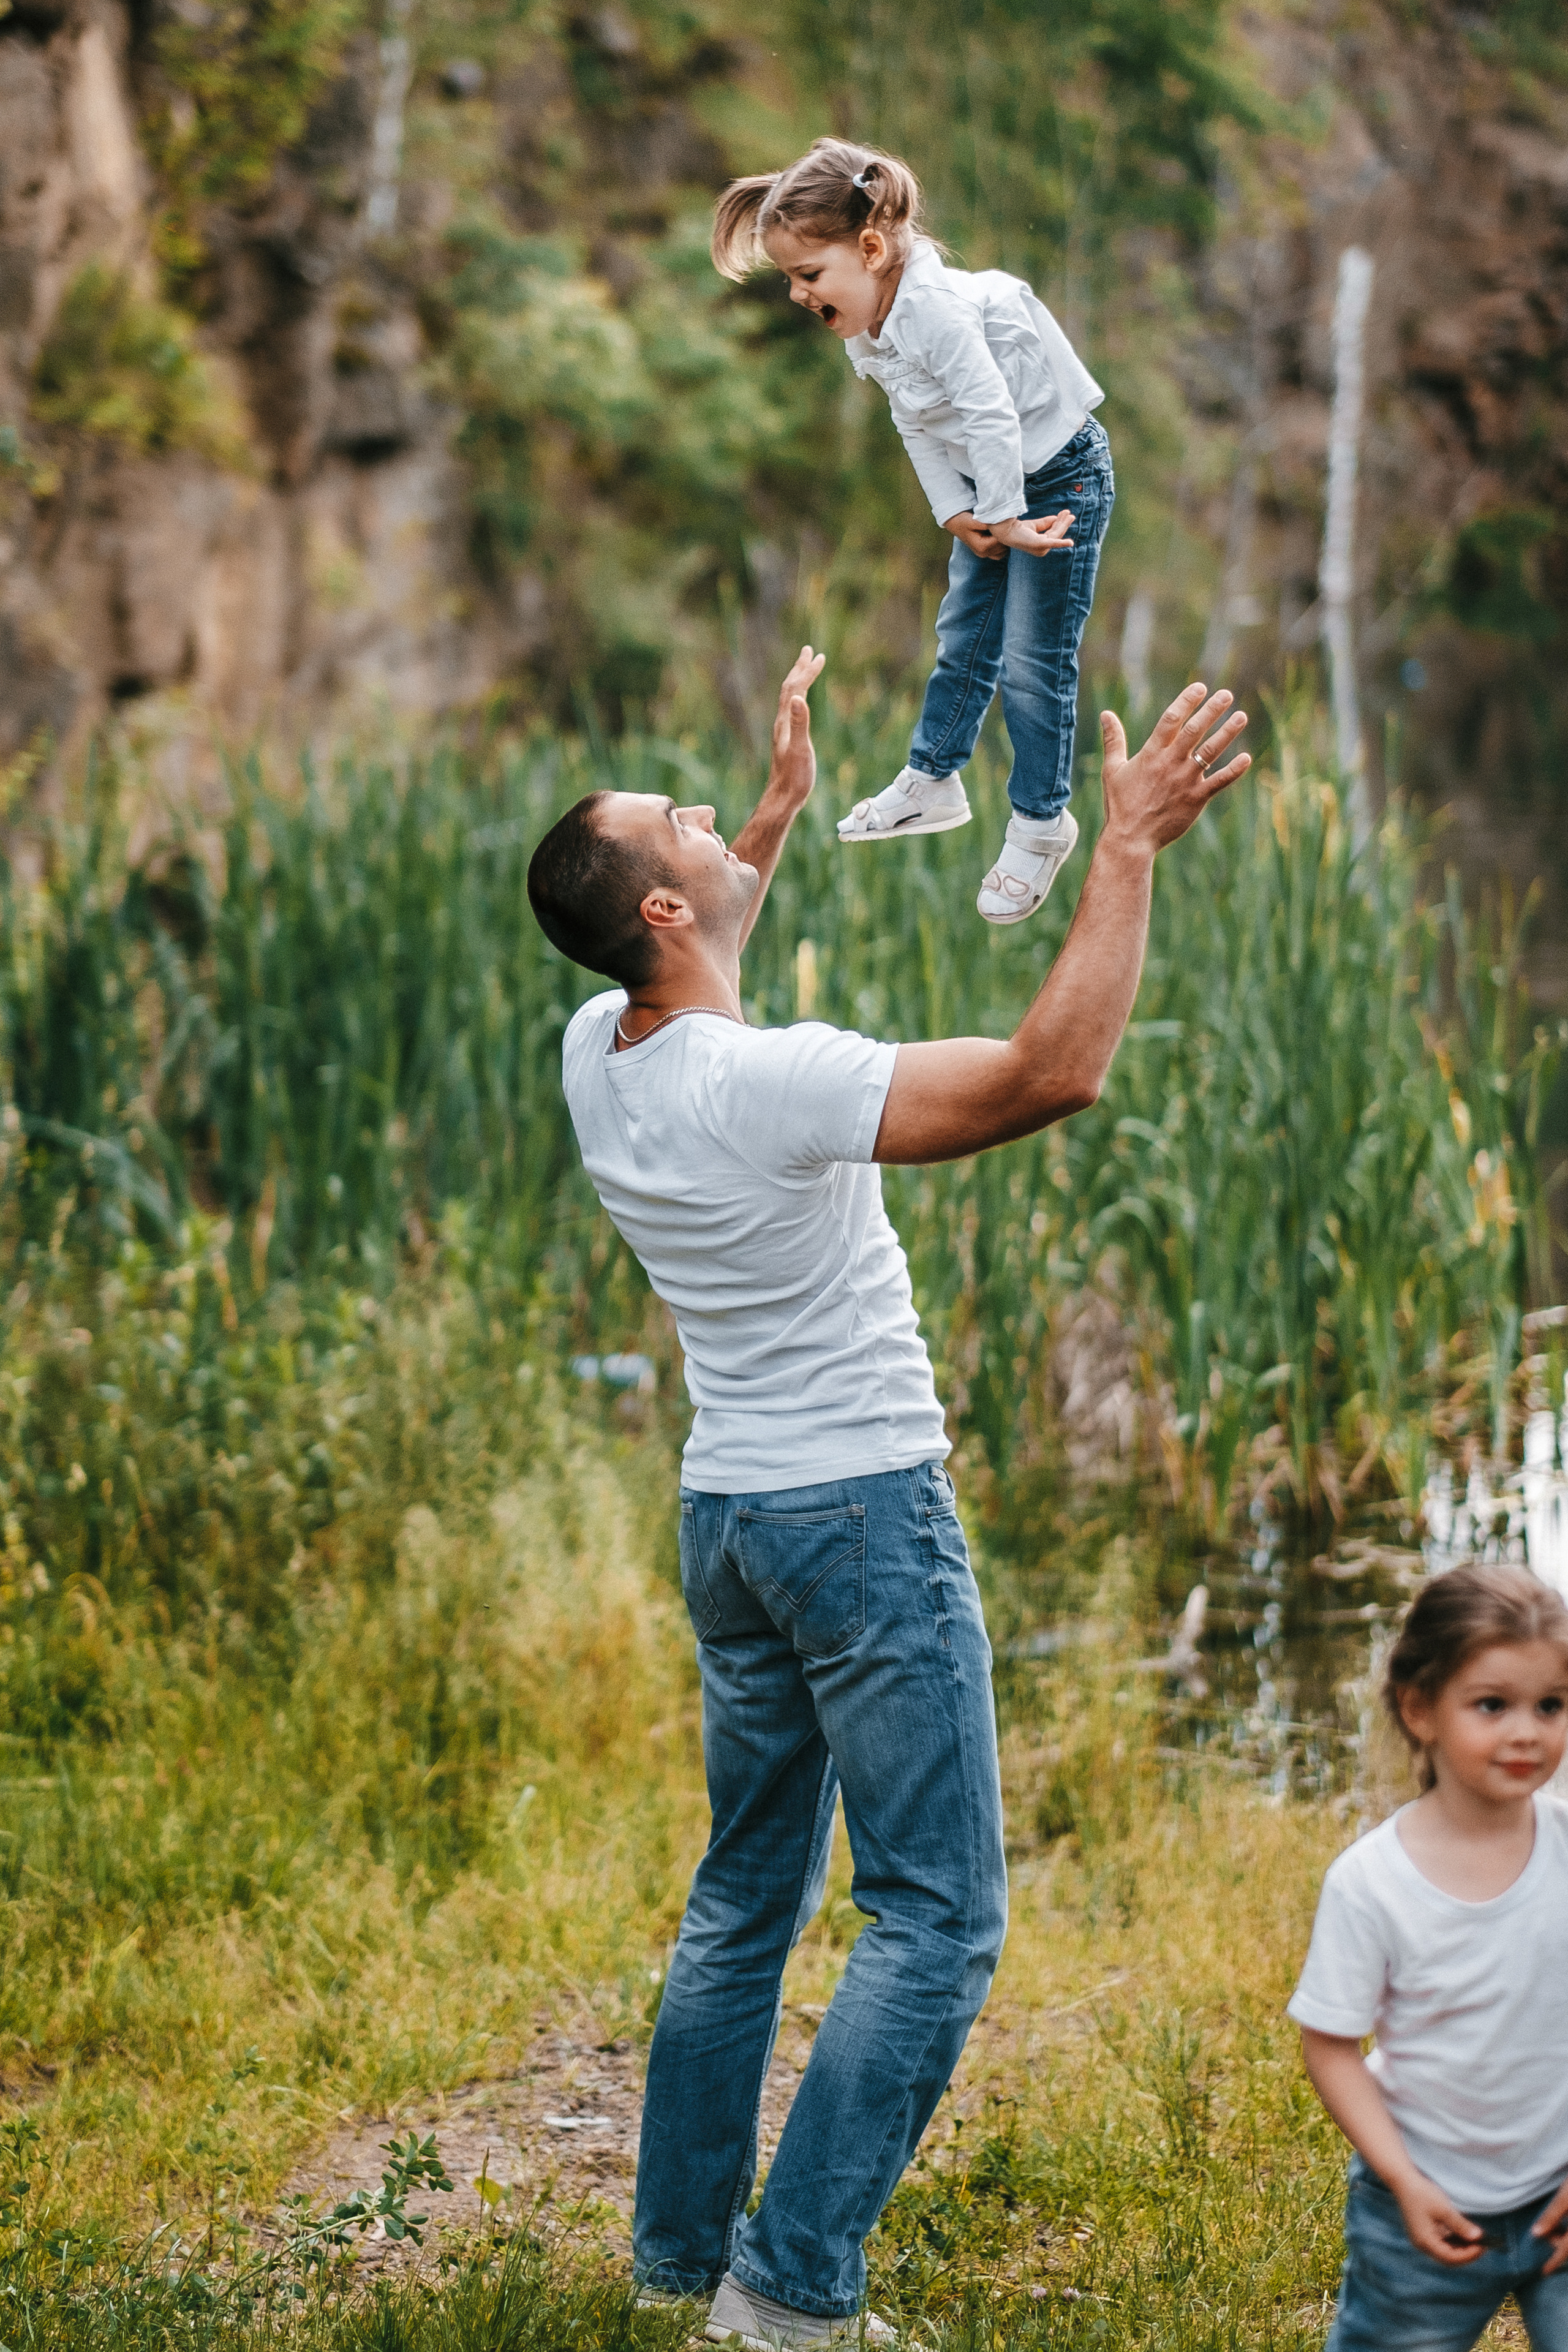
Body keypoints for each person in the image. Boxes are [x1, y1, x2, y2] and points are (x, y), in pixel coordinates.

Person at [526, 646, 1249, 2351]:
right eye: (679, 825)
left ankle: (676, 2269)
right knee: (937, 1916)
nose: (703, 814)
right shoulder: (772, 1086)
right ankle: (786, 2303)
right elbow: (1044, 1075)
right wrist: (1125, 845)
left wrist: (767, 811)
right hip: (859, 1518)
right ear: (665, 917)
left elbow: (708, 972)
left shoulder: (598, 1044)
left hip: (734, 1526)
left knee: (744, 1897)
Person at [711, 140, 1111, 929]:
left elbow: (993, 412)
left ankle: (1040, 822)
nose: (796, 295)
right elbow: (918, 420)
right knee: (962, 633)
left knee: (1034, 658)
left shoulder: (934, 310)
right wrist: (956, 514)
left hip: (1060, 481)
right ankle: (934, 777)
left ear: (871, 248)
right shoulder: (872, 330)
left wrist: (1002, 514)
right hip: (993, 486)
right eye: (790, 279)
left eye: (808, 275)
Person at [1289, 1562, 1568, 2352]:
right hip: (1418, 2211)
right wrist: (1406, 2183)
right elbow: (1331, 2045)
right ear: (1421, 1709)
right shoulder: (1372, 1884)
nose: (1527, 1731)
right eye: (1492, 1705)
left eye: (1550, 1705)